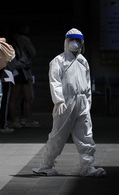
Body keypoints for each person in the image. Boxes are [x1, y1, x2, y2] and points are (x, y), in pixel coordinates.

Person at [32, 28, 106, 177]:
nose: (75, 43)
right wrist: (59, 100)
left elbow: (87, 84)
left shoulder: (83, 61)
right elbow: (55, 82)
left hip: (82, 102)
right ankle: (45, 166)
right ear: (66, 42)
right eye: (72, 40)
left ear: (82, 42)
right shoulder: (58, 61)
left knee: (85, 134)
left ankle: (87, 166)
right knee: (58, 135)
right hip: (65, 102)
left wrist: (87, 103)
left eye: (78, 40)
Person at [7, 26, 39, 128]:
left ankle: (29, 120)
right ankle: (13, 120)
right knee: (14, 97)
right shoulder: (11, 46)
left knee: (28, 97)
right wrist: (19, 63)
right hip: (17, 73)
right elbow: (12, 62)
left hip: (24, 72)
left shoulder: (20, 45)